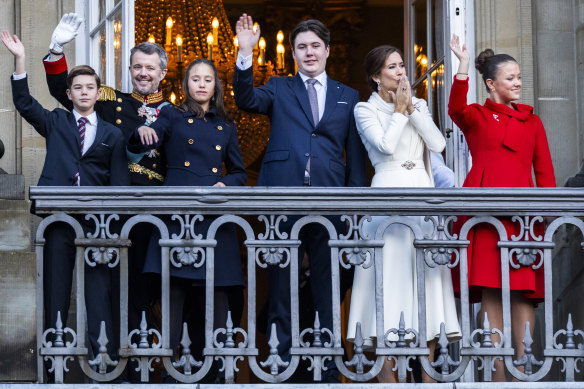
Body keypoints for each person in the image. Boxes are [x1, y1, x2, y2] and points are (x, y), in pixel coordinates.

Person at [233, 14, 367, 381]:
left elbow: (354, 158)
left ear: (327, 50)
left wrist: (354, 205)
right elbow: (245, 99)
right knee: (281, 285)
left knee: (328, 287)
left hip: (331, 201)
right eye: (302, 47)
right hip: (282, 198)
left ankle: (324, 368)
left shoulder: (347, 95)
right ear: (293, 53)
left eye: (315, 46)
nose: (309, 52)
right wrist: (245, 53)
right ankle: (280, 364)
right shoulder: (278, 87)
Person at [42, 15, 171, 375]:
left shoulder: (174, 113)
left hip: (157, 211)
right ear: (129, 69)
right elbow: (61, 93)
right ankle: (112, 363)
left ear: (163, 71)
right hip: (115, 205)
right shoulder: (110, 101)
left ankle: (147, 366)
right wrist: (56, 52)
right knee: (114, 289)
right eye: (138, 67)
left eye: (151, 68)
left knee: (149, 290)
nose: (144, 73)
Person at [1, 30, 130, 367]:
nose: (84, 92)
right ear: (69, 94)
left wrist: (115, 226)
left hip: (97, 221)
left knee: (98, 289)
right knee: (56, 287)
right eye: (78, 88)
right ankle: (52, 358)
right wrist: (20, 59)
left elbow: (117, 183)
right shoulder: (57, 121)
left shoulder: (113, 134)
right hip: (58, 217)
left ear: (97, 92)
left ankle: (103, 358)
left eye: (90, 87)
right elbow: (25, 103)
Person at [346, 45, 461, 383]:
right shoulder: (364, 110)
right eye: (391, 67)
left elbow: (438, 145)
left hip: (422, 196)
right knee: (387, 290)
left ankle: (426, 378)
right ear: (375, 76)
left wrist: (411, 109)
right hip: (387, 195)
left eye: (401, 66)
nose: (400, 72)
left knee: (424, 288)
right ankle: (388, 381)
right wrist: (398, 111)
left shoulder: (419, 104)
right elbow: (384, 146)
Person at [127, 58, 247, 380]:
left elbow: (239, 172)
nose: (202, 84)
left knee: (217, 292)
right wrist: (142, 131)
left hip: (212, 216)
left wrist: (226, 183)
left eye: (208, 79)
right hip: (177, 212)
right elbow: (146, 139)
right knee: (174, 290)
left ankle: (218, 371)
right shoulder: (172, 115)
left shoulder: (227, 126)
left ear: (216, 86)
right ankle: (168, 370)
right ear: (186, 85)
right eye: (195, 79)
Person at [448, 34, 556, 381]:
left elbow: (544, 171)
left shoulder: (532, 121)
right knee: (492, 293)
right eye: (510, 77)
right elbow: (455, 109)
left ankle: (523, 371)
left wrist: (549, 217)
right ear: (492, 84)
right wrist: (462, 66)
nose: (518, 82)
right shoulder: (476, 116)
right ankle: (497, 376)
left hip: (523, 217)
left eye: (520, 76)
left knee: (524, 293)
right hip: (484, 217)